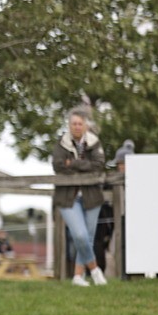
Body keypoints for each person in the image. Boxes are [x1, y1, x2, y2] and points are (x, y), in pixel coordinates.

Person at [51, 106, 106, 286]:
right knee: (80, 236)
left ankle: (77, 277)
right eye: (73, 123)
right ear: (69, 125)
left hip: (92, 196)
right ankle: (95, 270)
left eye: (79, 123)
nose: (76, 126)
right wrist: (84, 164)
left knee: (88, 238)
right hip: (68, 197)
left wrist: (72, 163)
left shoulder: (94, 142)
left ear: (85, 126)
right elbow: (58, 165)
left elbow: (98, 165)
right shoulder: (61, 144)